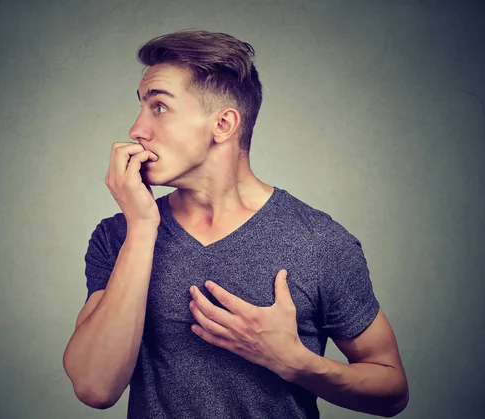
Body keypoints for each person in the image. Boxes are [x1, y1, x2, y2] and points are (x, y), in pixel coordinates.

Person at [62, 29, 409, 418]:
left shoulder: (320, 242)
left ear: (223, 125)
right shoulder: (119, 235)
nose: (136, 130)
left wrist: (298, 364)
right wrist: (142, 228)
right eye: (141, 107)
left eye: (158, 107)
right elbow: (95, 386)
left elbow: (392, 390)